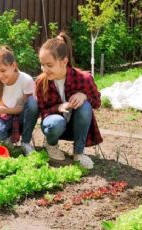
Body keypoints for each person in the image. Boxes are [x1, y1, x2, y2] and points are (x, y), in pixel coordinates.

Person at [36, 32, 102, 169]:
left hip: (76, 126)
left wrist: (84, 96)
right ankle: (52, 146)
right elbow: (42, 110)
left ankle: (79, 153)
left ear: (64, 61)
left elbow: (97, 103)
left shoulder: (83, 78)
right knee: (55, 122)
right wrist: (58, 107)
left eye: (49, 65)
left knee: (85, 106)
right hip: (55, 125)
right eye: (42, 65)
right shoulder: (41, 82)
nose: (44, 69)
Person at [0, 46, 39, 155]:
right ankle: (8, 139)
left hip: (23, 118)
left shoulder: (25, 80)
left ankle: (25, 142)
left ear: (13, 65)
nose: (0, 75)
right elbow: (1, 106)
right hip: (7, 116)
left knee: (33, 103)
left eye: (3, 70)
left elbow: (27, 108)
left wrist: (1, 110)